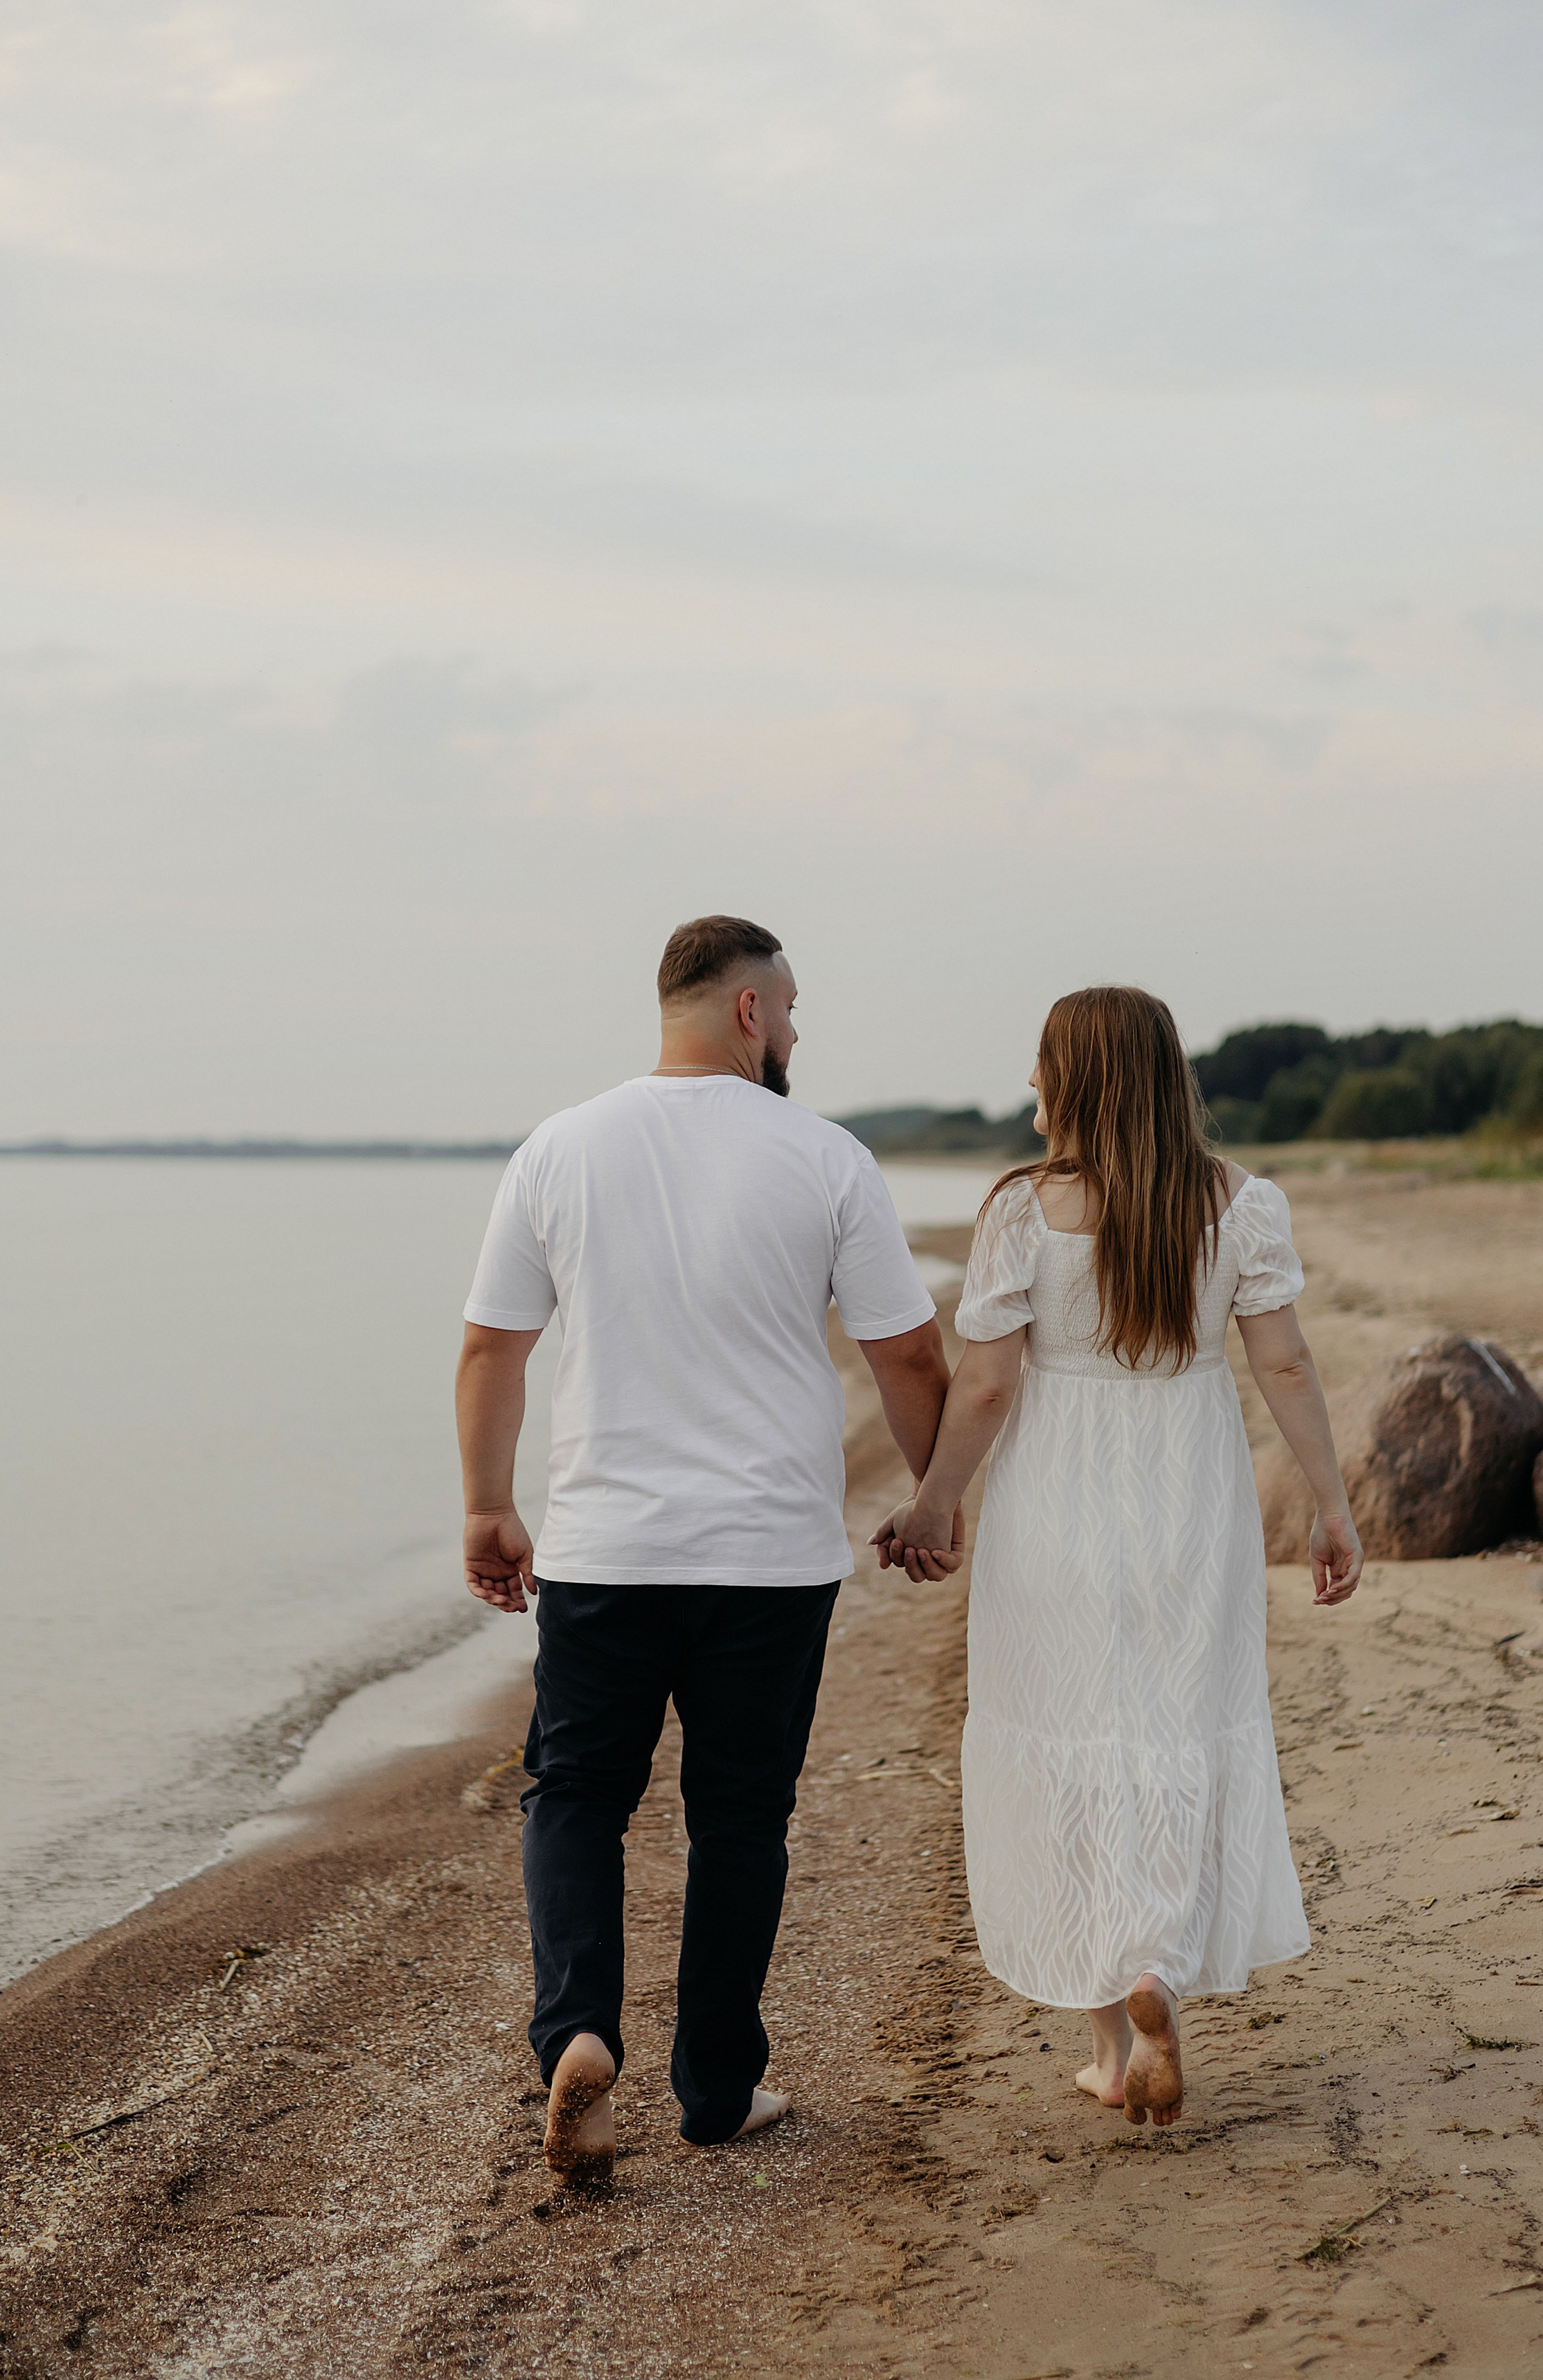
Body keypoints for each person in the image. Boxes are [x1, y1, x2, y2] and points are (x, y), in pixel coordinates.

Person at [456, 915, 952, 2182]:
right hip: (770, 1559)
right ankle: (719, 2088)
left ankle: (576, 2038)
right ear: (746, 1012)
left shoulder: (558, 1148)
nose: (795, 1031)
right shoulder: (828, 1158)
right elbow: (904, 1352)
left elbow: (493, 1350)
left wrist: (486, 1506)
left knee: (576, 1799)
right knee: (740, 1821)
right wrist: (938, 1495)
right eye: (789, 1008)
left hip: (607, 1549)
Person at [873, 985, 1362, 2128]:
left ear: (1070, 1079)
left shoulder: (1020, 1213)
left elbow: (989, 1385)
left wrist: (937, 1501)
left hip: (1057, 1499)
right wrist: (1331, 1505)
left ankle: (1113, 2027)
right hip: (1193, 1495)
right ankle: (1157, 1961)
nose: (1034, 1089)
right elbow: (1283, 1367)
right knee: (1172, 1727)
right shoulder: (1241, 1205)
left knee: (1073, 1735)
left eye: (1042, 1069)